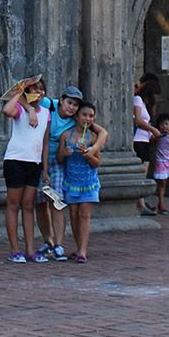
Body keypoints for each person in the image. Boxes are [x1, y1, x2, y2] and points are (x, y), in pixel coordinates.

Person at [35, 87, 107, 262]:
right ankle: (48, 241)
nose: (71, 107)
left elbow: (102, 133)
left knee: (57, 201)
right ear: (61, 100)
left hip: (68, 170)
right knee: (40, 202)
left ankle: (62, 245)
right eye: (69, 103)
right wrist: (30, 109)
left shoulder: (81, 124)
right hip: (40, 159)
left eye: (76, 105)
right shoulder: (49, 106)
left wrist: (91, 151)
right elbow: (29, 97)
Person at [0, 75, 50, 263]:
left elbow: (45, 143)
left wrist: (44, 169)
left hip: (34, 162)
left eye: (40, 89)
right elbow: (6, 109)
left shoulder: (46, 112)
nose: (38, 92)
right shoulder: (20, 109)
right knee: (13, 204)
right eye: (34, 89)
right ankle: (15, 249)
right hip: (15, 159)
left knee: (28, 205)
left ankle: (30, 249)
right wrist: (23, 97)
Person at [57, 100, 102, 263]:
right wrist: (65, 152)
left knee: (84, 214)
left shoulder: (93, 138)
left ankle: (83, 250)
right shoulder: (66, 135)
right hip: (72, 182)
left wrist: (89, 154)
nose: (87, 119)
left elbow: (97, 163)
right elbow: (59, 158)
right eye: (84, 115)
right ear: (76, 116)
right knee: (74, 215)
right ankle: (78, 247)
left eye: (91, 116)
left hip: (88, 182)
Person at [131, 73, 161, 217]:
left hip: (145, 140)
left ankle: (141, 200)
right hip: (138, 140)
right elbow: (138, 120)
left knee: (144, 171)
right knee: (140, 171)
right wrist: (153, 129)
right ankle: (140, 203)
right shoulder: (137, 99)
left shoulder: (144, 103)